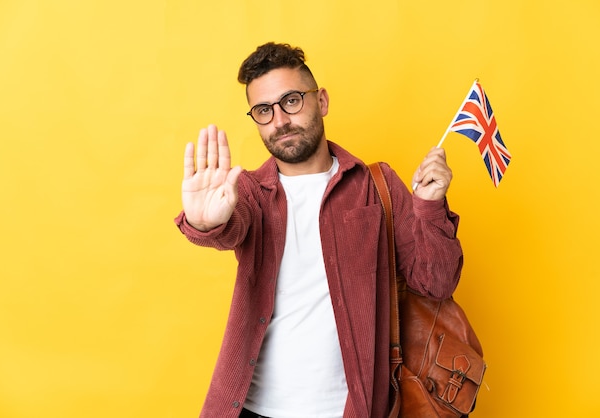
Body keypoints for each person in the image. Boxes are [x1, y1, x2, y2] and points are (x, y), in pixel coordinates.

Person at [174, 42, 463, 418]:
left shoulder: (377, 186)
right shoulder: (247, 192)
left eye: (291, 100)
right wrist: (204, 222)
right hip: (251, 408)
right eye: (264, 110)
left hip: (348, 408)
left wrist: (430, 205)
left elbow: (437, 282)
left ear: (321, 101)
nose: (280, 120)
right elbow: (229, 227)